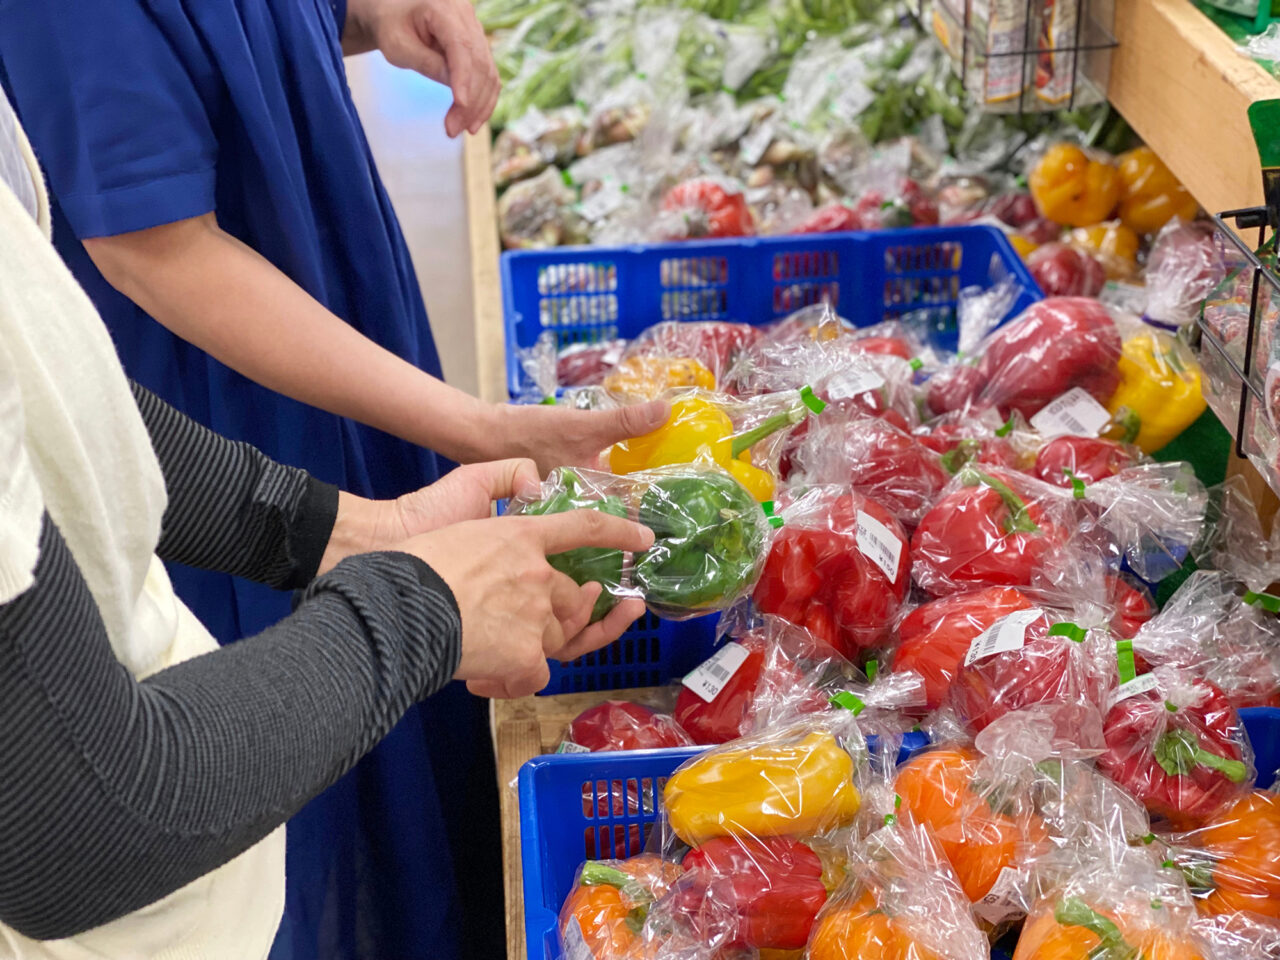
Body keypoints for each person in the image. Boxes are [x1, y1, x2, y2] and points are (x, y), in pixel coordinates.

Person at [0, 3, 664, 956]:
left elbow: (60, 394)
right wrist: (424, 602)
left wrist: (352, 531)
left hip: (209, 848)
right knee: (351, 860)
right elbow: (83, 824)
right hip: (155, 910)